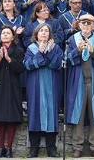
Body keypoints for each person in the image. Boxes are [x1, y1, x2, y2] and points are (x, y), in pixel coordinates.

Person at [65, 13, 94, 158]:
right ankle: (77, 147)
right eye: (83, 23)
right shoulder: (72, 40)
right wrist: (77, 50)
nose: (86, 26)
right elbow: (66, 61)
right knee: (78, 114)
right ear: (79, 25)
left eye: (89, 23)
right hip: (77, 82)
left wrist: (93, 52)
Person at [24, 24, 64, 158]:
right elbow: (28, 65)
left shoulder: (56, 48)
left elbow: (57, 65)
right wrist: (40, 53)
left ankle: (51, 148)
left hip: (52, 86)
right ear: (36, 34)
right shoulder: (31, 48)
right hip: (35, 86)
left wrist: (50, 52)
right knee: (35, 114)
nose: (44, 33)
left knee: (51, 115)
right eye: (41, 31)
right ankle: (33, 149)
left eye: (47, 31)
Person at [0, 26, 25, 158]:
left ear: (13, 36)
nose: (5, 34)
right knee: (0, 119)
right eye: (3, 32)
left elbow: (20, 69)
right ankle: (1, 148)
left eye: (8, 33)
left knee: (11, 119)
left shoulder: (19, 51)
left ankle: (9, 148)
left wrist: (9, 58)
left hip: (13, 87)